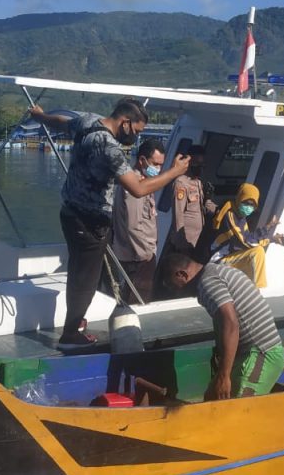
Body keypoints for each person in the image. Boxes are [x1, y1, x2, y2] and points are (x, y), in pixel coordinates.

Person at [30, 98, 189, 348]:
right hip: (89, 220)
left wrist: (40, 117)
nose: (136, 138)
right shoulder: (109, 147)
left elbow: (62, 122)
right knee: (86, 279)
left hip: (69, 211)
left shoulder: (88, 121)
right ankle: (70, 335)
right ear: (125, 123)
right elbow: (137, 188)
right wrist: (174, 172)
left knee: (79, 271)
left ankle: (75, 320)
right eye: (136, 131)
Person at [162, 252, 284, 399]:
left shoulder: (208, 282)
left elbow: (230, 323)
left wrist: (224, 376)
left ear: (181, 275)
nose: (174, 292)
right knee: (212, 398)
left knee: (235, 412)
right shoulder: (213, 272)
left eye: (171, 286)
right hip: (247, 354)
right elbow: (221, 321)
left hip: (262, 353)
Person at [112, 138, 166, 304]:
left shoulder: (144, 183)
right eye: (155, 164)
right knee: (137, 300)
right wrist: (147, 255)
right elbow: (133, 226)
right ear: (142, 160)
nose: (158, 169)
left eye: (161, 165)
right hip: (138, 256)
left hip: (142, 252)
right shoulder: (135, 185)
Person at [210, 182, 284, 288]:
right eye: (246, 203)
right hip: (218, 261)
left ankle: (246, 288)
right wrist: (269, 233)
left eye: (252, 205)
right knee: (257, 251)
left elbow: (249, 239)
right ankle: (258, 289)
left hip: (230, 257)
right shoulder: (230, 214)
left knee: (255, 252)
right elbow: (246, 242)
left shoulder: (241, 218)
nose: (249, 207)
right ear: (239, 199)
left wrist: (271, 235)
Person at [169, 144, 217, 260]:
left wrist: (216, 207)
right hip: (186, 240)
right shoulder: (181, 183)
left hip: (197, 239)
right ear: (189, 163)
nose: (200, 168)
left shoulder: (198, 183)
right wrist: (182, 242)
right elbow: (178, 214)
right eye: (197, 164)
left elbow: (202, 206)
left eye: (202, 165)